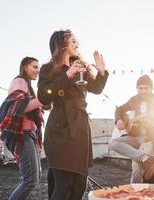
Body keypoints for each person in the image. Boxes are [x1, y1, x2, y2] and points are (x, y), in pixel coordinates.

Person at [37, 29, 109, 200]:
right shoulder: (47, 69)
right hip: (60, 130)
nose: (77, 44)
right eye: (73, 40)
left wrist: (101, 72)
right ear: (61, 44)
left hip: (81, 129)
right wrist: (67, 75)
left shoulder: (80, 67)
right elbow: (43, 96)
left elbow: (96, 89)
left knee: (79, 186)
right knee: (63, 187)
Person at [0, 57, 44, 199]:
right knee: (30, 180)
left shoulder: (26, 85)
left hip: (29, 134)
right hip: (23, 134)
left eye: (38, 67)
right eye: (34, 67)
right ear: (24, 67)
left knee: (35, 177)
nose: (38, 70)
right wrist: (41, 99)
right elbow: (19, 107)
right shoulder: (20, 81)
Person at [109, 74, 154, 183]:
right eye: (141, 88)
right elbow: (119, 110)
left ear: (151, 89)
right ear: (137, 89)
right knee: (112, 143)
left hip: (152, 139)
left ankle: (134, 194)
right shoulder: (133, 100)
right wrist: (119, 120)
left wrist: (150, 122)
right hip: (135, 137)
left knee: (136, 167)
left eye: (146, 88)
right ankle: (146, 159)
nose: (143, 91)